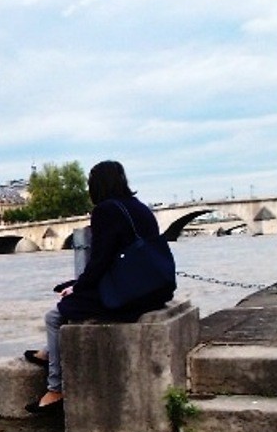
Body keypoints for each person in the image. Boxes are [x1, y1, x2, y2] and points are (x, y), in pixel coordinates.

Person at [24, 160, 176, 414]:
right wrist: (79, 284)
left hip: (131, 295)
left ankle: (55, 388)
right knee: (74, 299)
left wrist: (78, 288)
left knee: (58, 313)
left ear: (96, 185)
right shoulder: (140, 208)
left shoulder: (106, 210)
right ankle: (51, 351)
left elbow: (100, 260)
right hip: (154, 288)